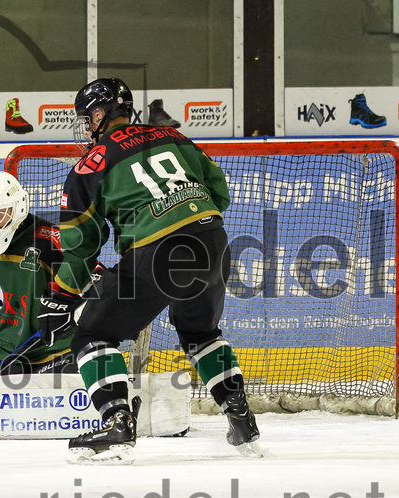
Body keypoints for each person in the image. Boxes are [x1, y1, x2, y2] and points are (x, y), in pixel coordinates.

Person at [38, 77, 259, 462]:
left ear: (101, 114)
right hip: (212, 241)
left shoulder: (90, 165)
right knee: (200, 332)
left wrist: (60, 297)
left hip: (158, 254)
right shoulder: (171, 137)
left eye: (87, 117)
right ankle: (240, 417)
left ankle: (117, 422)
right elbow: (219, 191)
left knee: (91, 335)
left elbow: (80, 244)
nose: (86, 126)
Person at [0, 171, 86, 433]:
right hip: (2, 354)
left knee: (66, 422)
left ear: (18, 207)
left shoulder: (48, 239)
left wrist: (84, 304)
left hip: (53, 353)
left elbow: (87, 277)